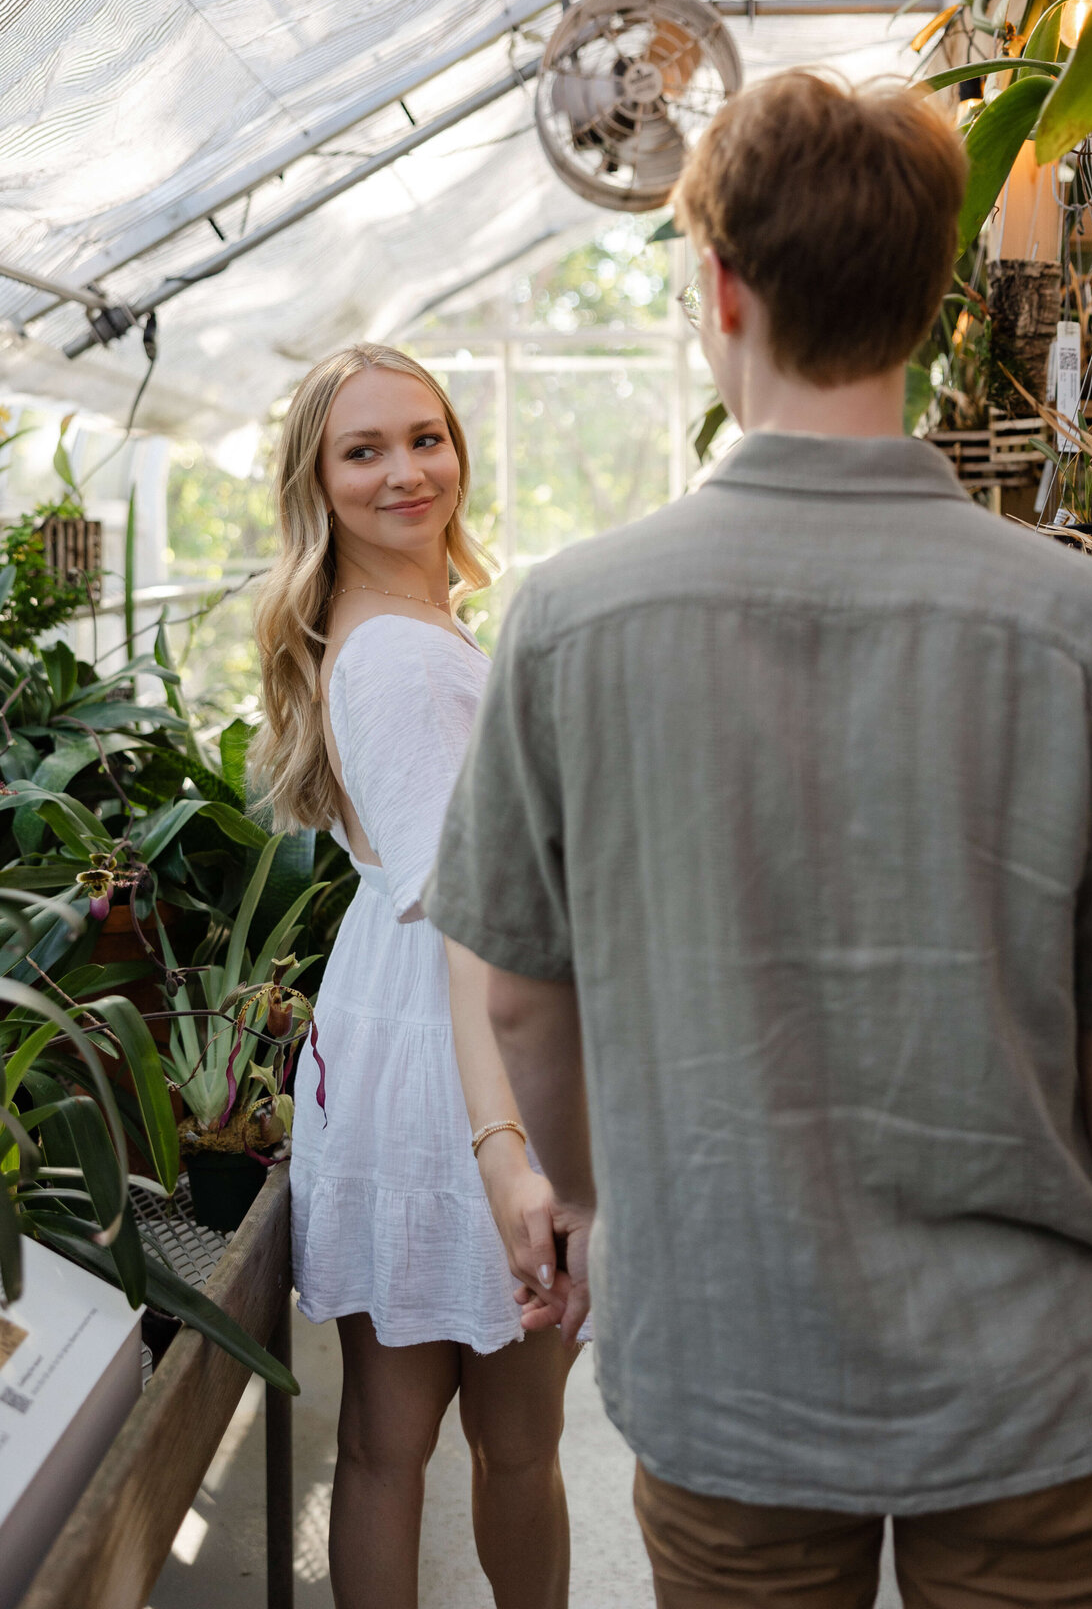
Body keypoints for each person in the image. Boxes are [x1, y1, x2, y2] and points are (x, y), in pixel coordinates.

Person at [424, 72, 1092, 1607]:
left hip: (729, 1369)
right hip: (1038, 1382)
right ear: (931, 300)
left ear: (718, 286)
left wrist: (575, 1205)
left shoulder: (573, 621)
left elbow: (519, 995)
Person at [250, 344, 576, 1609]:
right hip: (455, 1055)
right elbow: (467, 912)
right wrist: (509, 1136)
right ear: (318, 485)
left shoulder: (415, 625)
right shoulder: (395, 655)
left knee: (477, 1442)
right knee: (434, 1445)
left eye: (425, 438)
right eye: (364, 450)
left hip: (429, 1038)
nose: (405, 471)